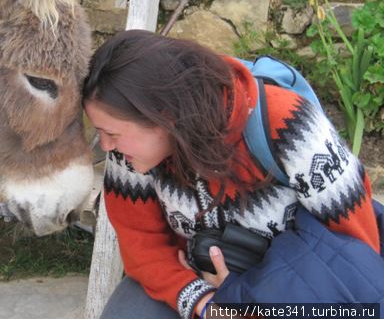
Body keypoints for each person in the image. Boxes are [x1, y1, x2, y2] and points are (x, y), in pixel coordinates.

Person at [82, 29, 381, 319]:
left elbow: (354, 258)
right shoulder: (130, 155)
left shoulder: (290, 125)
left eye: (111, 133)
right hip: (192, 282)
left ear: (163, 117)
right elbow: (141, 245)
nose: (106, 146)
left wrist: (246, 302)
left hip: (289, 289)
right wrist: (204, 303)